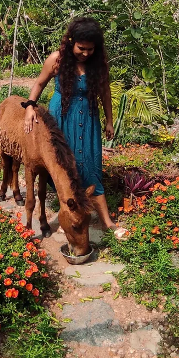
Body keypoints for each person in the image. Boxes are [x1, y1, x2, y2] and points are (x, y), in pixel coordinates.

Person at [23, 17, 129, 240]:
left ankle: (107, 222)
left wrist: (109, 121)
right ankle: (69, 214)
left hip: (88, 120)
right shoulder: (57, 59)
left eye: (91, 49)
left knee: (90, 168)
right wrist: (30, 107)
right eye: (81, 48)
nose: (86, 53)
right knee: (63, 168)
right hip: (61, 120)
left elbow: (106, 94)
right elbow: (39, 84)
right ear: (71, 42)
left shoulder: (98, 65)